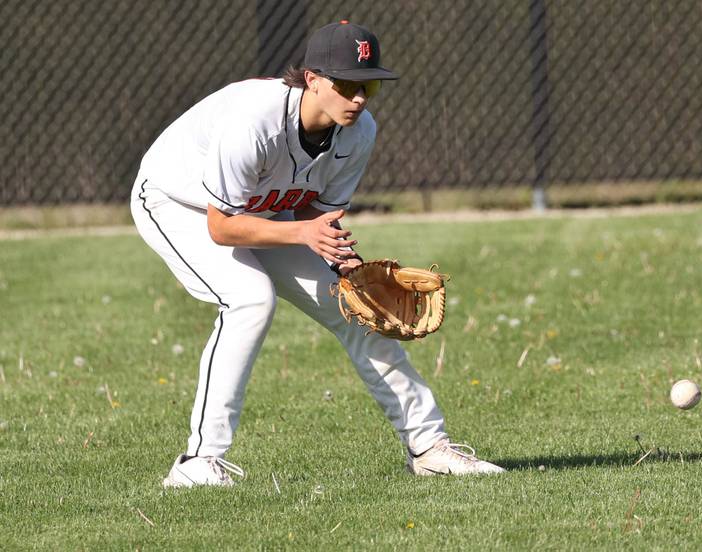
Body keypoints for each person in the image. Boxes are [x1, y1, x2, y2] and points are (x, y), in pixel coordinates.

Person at [130, 20, 504, 487]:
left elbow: (317, 216)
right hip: (178, 202)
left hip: (264, 210)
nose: (359, 97)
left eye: (368, 84)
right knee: (250, 298)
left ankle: (429, 447)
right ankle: (198, 462)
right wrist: (304, 234)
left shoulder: (359, 131)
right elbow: (221, 226)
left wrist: (348, 267)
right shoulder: (255, 123)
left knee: (351, 308)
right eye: (346, 83)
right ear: (312, 79)